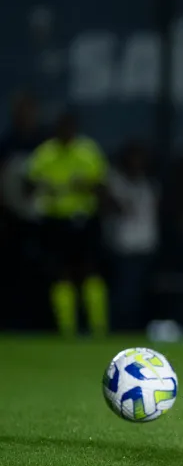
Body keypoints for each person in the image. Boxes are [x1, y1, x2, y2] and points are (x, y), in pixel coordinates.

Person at [27, 111, 110, 337]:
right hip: (55, 220)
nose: (66, 132)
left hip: (84, 220)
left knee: (90, 273)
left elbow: (103, 186)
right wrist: (43, 186)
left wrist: (85, 186)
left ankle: (98, 328)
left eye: (70, 128)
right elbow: (28, 185)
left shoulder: (88, 151)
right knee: (60, 275)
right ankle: (67, 330)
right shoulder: (45, 154)